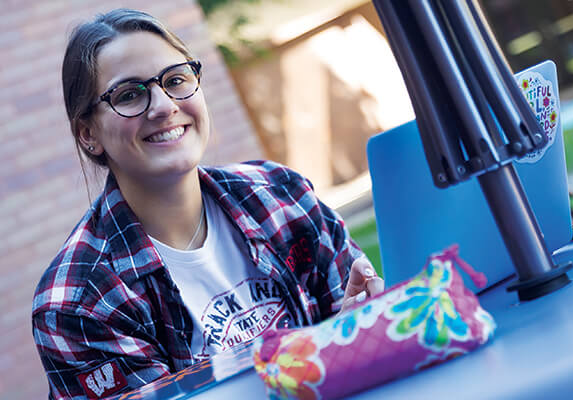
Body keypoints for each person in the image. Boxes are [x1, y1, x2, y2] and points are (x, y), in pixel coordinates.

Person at [31, 8, 384, 399]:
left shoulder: (282, 196)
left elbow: (366, 338)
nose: (164, 106)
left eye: (176, 79)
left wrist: (358, 332)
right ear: (88, 134)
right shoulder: (77, 304)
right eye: (129, 94)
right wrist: (328, 358)